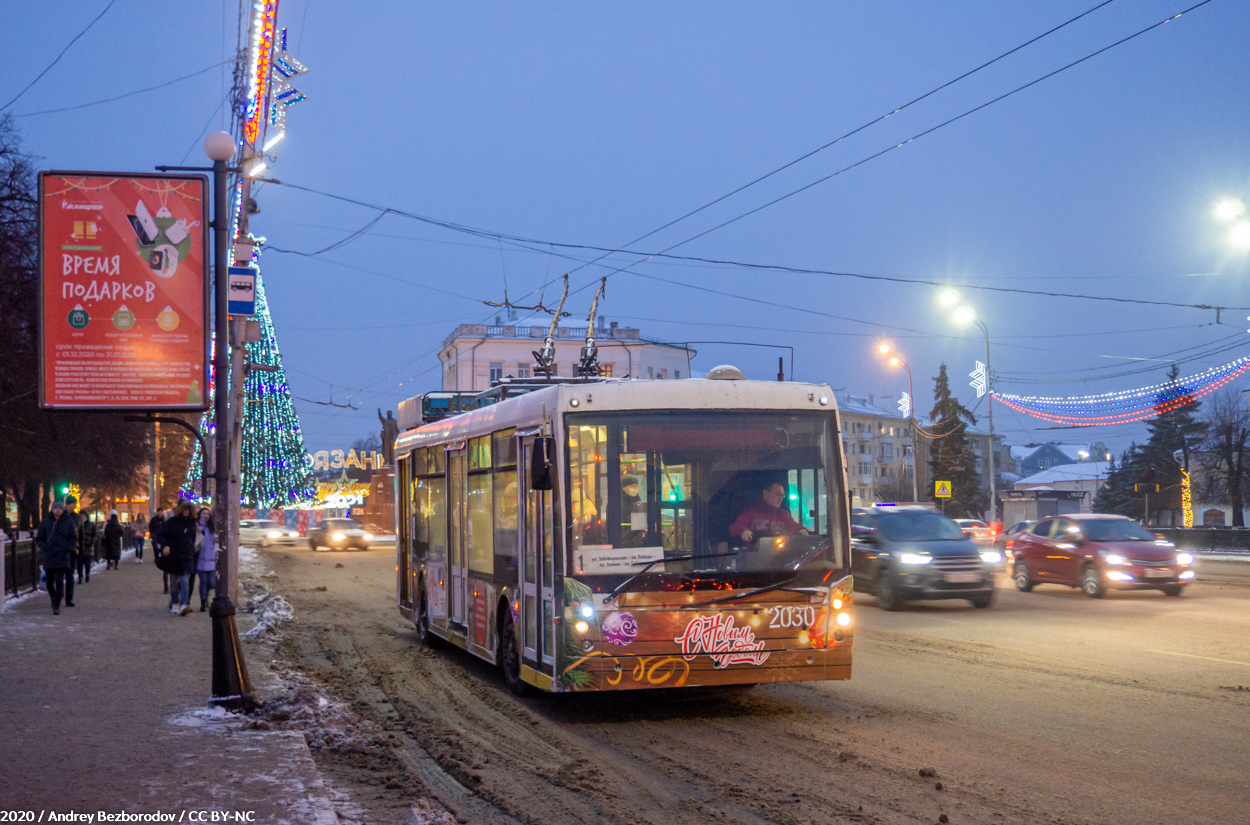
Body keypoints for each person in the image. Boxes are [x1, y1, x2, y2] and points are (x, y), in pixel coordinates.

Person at [729, 482, 809, 544]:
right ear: (766, 494)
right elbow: (735, 527)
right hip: (754, 557)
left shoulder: (784, 515)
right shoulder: (752, 513)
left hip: (778, 557)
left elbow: (794, 526)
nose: (781, 498)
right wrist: (743, 531)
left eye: (782, 496)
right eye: (778, 494)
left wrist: (801, 530)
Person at [34, 501, 77, 614]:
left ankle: (57, 605)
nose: (58, 510)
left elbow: (73, 537)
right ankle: (54, 597)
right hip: (49, 555)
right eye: (55, 508)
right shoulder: (46, 522)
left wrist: (68, 547)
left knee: (59, 580)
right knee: (49, 582)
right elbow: (39, 538)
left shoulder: (68, 522)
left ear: (63, 510)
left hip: (62, 555)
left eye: (60, 508)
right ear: (52, 509)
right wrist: (45, 547)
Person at [159, 501, 198, 615]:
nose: (187, 512)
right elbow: (161, 534)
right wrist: (165, 545)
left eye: (189, 510)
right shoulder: (172, 522)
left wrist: (191, 549)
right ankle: (175, 602)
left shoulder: (191, 523)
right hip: (174, 556)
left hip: (186, 555)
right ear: (180, 510)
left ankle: (184, 604)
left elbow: (193, 538)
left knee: (185, 581)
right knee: (175, 582)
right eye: (185, 509)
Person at [195, 507, 217, 612]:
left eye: (207, 514)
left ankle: (206, 595)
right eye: (204, 513)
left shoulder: (212, 527)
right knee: (203, 581)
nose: (206, 515)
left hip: (211, 559)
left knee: (211, 582)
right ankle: (203, 601)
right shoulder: (196, 527)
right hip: (200, 559)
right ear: (200, 515)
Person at [149, 507, 168, 593]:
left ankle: (168, 586)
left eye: (161, 511)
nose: (160, 513)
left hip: (164, 541)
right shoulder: (154, 520)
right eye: (159, 511)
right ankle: (157, 558)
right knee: (156, 549)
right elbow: (151, 528)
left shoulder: (165, 521)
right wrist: (153, 536)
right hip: (156, 538)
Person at [77, 513, 98, 584]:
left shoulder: (91, 525)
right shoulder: (77, 524)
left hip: (88, 546)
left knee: (87, 563)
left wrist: (92, 541)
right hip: (79, 547)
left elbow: (95, 535)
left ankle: (87, 574)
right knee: (79, 563)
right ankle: (80, 577)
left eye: (83, 516)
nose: (82, 517)